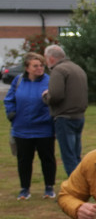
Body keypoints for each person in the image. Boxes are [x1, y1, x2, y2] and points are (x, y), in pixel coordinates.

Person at [5, 53, 57, 200]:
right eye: (35, 66)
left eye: (41, 65)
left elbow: (56, 101)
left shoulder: (50, 81)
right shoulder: (19, 80)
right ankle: (24, 189)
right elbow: (9, 99)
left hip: (44, 129)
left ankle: (49, 187)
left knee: (47, 159)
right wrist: (11, 113)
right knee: (24, 160)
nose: (39, 68)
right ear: (27, 68)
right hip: (21, 129)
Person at [42, 44, 88, 176]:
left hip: (64, 117)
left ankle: (75, 188)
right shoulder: (77, 68)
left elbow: (56, 95)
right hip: (79, 116)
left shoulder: (59, 70)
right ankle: (82, 184)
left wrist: (46, 96)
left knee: (68, 156)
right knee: (76, 154)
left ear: (51, 58)